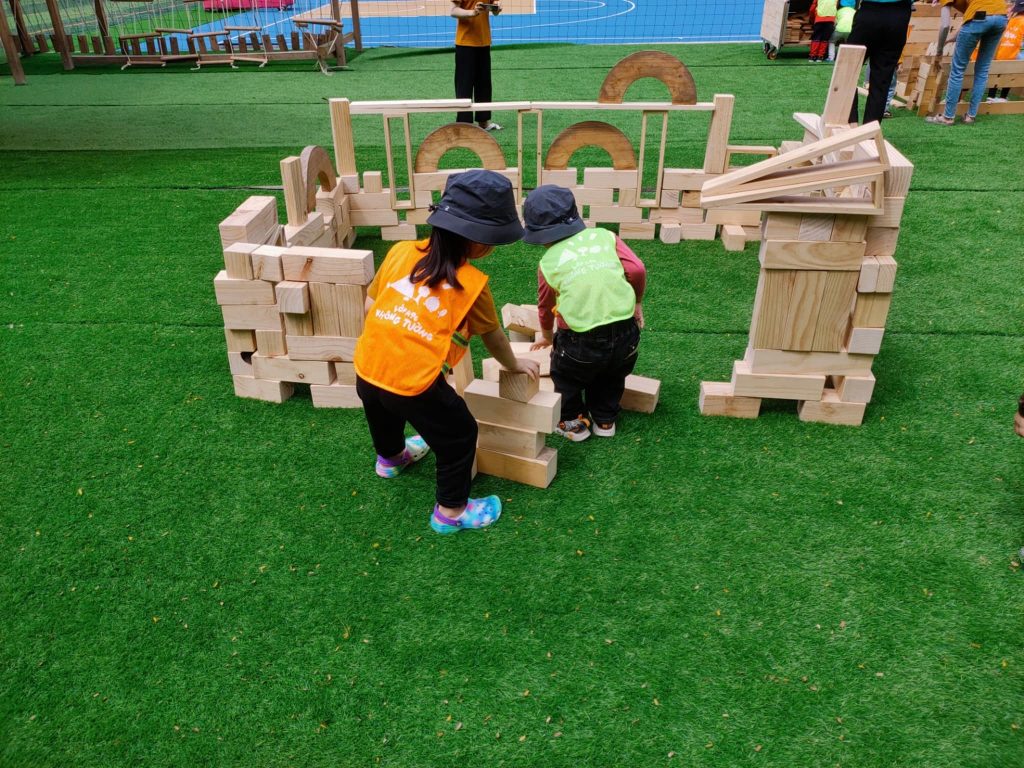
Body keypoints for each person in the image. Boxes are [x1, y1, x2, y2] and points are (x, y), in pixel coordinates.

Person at [353, 169, 539, 534]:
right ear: (479, 242)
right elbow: (494, 338)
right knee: (459, 433)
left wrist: (390, 341)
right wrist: (515, 364)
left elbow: (370, 305)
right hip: (414, 383)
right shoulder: (472, 285)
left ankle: (391, 460)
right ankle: (451, 511)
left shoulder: (400, 251)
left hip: (367, 366)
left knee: (381, 413)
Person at [521, 185, 646, 442]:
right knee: (613, 374)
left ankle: (574, 425)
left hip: (579, 340)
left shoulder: (548, 262)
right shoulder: (605, 236)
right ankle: (605, 420)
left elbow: (545, 307)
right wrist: (637, 302)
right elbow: (637, 269)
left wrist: (547, 337)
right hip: (626, 332)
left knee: (565, 377)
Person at [926, 0, 1009, 124]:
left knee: (957, 70)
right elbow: (970, 21)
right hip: (1001, 17)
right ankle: (970, 116)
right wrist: (949, 40)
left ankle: (947, 117)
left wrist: (939, 50)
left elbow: (945, 26)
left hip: (979, 17)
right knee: (983, 69)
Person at [846, 0, 915, 124]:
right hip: (898, 16)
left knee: (847, 72)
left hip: (870, 11)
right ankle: (869, 131)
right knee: (881, 80)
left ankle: (850, 124)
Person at [450, 0, 502, 131]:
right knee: (464, 86)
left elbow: (494, 9)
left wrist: (496, 8)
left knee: (484, 85)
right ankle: (464, 124)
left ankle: (484, 122)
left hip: (484, 42)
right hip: (465, 43)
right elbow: (453, 11)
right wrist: (472, 12)